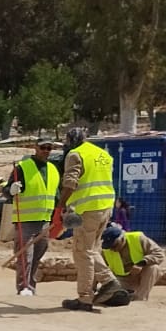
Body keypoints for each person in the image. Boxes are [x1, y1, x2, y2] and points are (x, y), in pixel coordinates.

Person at [51, 127, 117, 313]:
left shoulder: (75, 154)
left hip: (88, 209)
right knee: (91, 249)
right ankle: (108, 282)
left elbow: (70, 182)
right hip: (105, 207)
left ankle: (86, 297)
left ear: (71, 140)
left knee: (82, 253)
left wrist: (61, 205)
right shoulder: (102, 154)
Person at [4, 137, 60, 297]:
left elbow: (56, 195)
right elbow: (7, 191)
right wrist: (11, 190)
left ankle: (31, 286)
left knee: (37, 256)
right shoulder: (23, 167)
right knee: (25, 256)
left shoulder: (53, 170)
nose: (46, 151)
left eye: (49, 148)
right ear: (36, 148)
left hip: (44, 221)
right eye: (43, 147)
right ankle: (23, 287)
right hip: (25, 221)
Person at [99, 221, 164, 302]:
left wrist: (141, 263)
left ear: (122, 238)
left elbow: (159, 254)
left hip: (140, 277)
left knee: (153, 268)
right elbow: (99, 269)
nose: (113, 249)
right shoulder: (106, 251)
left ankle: (140, 298)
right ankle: (125, 294)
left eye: (114, 245)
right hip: (121, 279)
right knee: (107, 294)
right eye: (110, 247)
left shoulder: (138, 238)